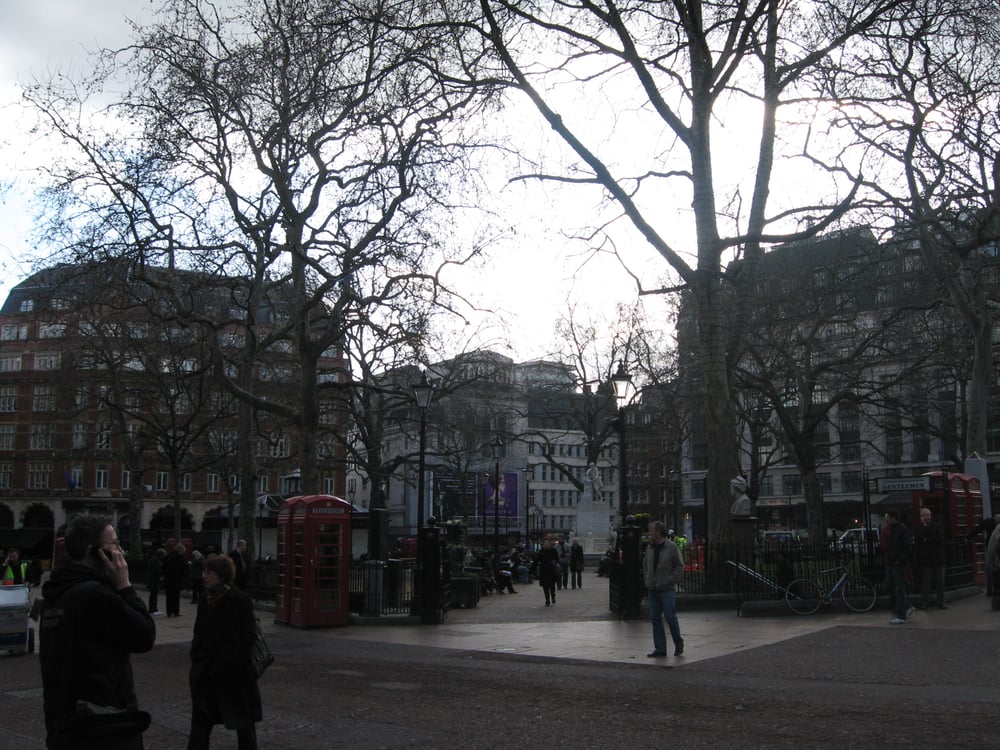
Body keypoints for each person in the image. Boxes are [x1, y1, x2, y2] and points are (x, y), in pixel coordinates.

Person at [39, 514, 156, 750]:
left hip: (65, 725)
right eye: (114, 545)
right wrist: (125, 586)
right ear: (94, 553)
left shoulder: (55, 595)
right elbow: (144, 635)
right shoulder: (96, 595)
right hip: (105, 726)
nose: (120, 552)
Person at [187, 554, 262, 750]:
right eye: (204, 571)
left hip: (234, 674)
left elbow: (249, 635)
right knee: (200, 724)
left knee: (244, 725)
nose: (204, 576)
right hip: (208, 671)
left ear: (222, 576)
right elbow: (198, 632)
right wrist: (197, 658)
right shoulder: (205, 599)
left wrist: (235, 661)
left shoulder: (241, 600)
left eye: (209, 572)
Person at [643, 520, 685, 658]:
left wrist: (670, 579)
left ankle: (678, 643)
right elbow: (645, 565)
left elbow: (679, 566)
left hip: (666, 589)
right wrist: (647, 579)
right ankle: (660, 648)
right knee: (655, 619)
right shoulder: (649, 548)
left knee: (670, 617)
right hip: (653, 588)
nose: (649, 533)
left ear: (658, 532)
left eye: (651, 530)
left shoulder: (671, 547)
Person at [912, 507, 947, 609]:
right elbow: (919, 540)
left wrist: (927, 540)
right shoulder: (918, 528)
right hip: (926, 560)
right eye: (925, 515)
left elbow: (940, 538)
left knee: (940, 582)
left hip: (938, 559)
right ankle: (926, 602)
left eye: (929, 515)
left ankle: (941, 602)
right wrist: (925, 529)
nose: (927, 517)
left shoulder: (936, 526)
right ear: (921, 517)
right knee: (926, 583)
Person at [884, 510, 914, 624]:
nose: (886, 519)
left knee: (899, 589)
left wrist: (899, 560)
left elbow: (907, 548)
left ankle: (901, 615)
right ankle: (906, 606)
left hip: (899, 564)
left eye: (887, 517)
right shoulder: (894, 529)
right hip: (892, 563)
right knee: (889, 586)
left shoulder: (902, 529)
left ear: (893, 518)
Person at [163, 543, 188, 617]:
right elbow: (184, 569)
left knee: (169, 597)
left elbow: (164, 567)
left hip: (168, 580)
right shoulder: (180, 557)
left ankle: (169, 612)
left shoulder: (168, 556)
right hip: (177, 580)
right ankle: (175, 611)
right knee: (176, 597)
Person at [537, 538, 560, 606]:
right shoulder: (541, 551)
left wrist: (554, 563)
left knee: (552, 586)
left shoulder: (553, 550)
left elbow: (557, 559)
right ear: (543, 544)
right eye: (545, 543)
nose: (546, 544)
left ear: (550, 544)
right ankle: (547, 600)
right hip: (543, 570)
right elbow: (537, 560)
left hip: (551, 570)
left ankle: (553, 596)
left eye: (547, 543)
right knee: (545, 587)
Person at [147, 548, 165, 615]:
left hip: (152, 580)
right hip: (154, 580)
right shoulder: (155, 560)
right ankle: (153, 610)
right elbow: (156, 570)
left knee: (153, 595)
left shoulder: (153, 558)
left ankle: (153, 609)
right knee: (154, 595)